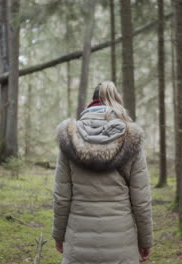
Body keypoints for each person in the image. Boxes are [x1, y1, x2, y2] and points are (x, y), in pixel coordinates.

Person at [52, 81, 154, 263]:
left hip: (78, 243)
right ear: (116, 101)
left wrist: (59, 236)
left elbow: (61, 197)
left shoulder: (69, 138)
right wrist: (145, 241)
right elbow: (141, 201)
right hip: (121, 244)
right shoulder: (131, 138)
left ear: (92, 103)